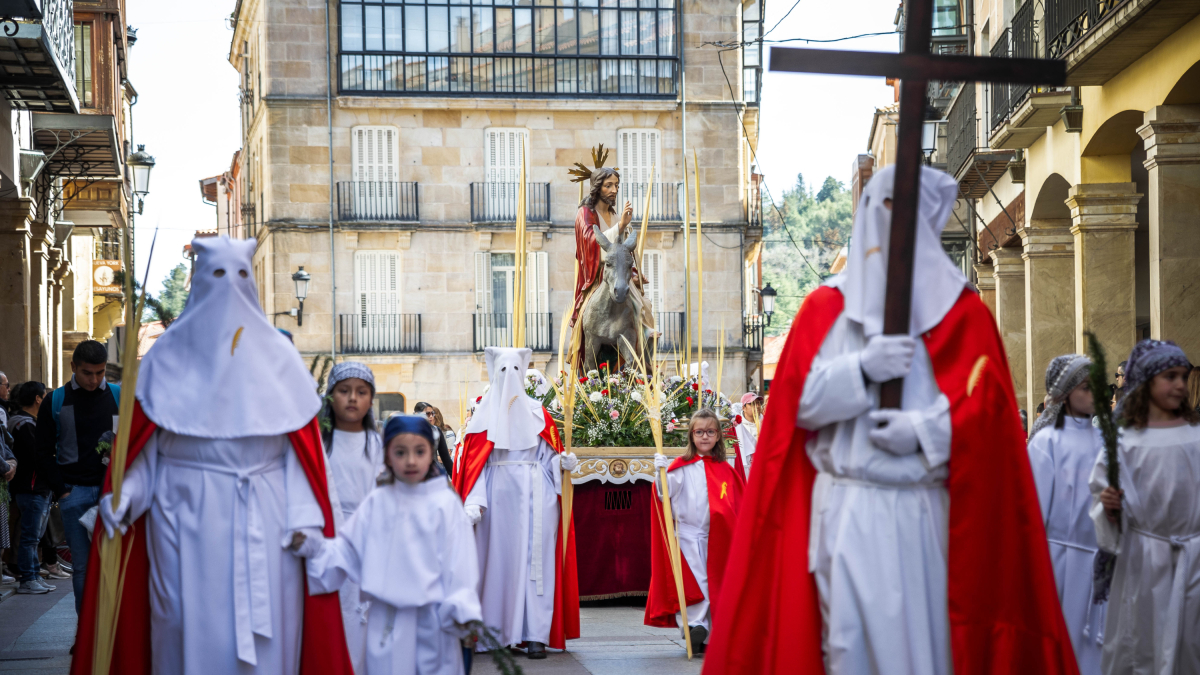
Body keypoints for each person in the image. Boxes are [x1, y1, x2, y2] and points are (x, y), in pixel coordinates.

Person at [703, 165, 1076, 675]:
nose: (894, 224)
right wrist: (859, 370)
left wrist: (925, 433)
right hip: (845, 506)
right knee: (844, 649)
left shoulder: (963, 314)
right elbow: (796, 410)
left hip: (923, 510)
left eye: (907, 212)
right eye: (884, 207)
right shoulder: (825, 307)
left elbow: (989, 419)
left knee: (921, 650)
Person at [78, 235, 352, 675]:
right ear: (199, 283)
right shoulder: (166, 357)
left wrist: (306, 525)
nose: (229, 287)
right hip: (182, 524)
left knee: (271, 645)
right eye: (218, 275)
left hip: (267, 525)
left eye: (240, 275)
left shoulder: (279, 357)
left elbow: (299, 460)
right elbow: (149, 457)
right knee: (185, 632)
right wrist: (126, 496)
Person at [292, 415, 481, 675]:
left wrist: (462, 606)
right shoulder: (377, 502)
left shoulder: (445, 505)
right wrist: (312, 547)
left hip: (433, 621)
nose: (411, 460)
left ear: (431, 454)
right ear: (387, 456)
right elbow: (347, 549)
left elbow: (461, 562)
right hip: (387, 620)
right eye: (400, 452)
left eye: (419, 451)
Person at [453, 347, 580, 659]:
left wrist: (562, 464)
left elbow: (549, 457)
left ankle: (535, 633)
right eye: (503, 371)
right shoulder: (481, 418)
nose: (509, 377)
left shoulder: (539, 414)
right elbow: (474, 466)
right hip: (494, 500)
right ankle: (495, 633)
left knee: (536, 566)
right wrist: (474, 500)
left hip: (538, 495)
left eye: (514, 371)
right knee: (496, 566)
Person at [1091, 339, 1200, 675]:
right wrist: (1109, 507)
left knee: (1189, 647)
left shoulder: (1196, 436)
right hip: (1143, 562)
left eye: (1183, 376)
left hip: (1194, 562)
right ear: (1146, 381)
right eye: (1170, 376)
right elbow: (1102, 498)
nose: (1180, 384)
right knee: (1141, 646)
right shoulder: (1123, 441)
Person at [1027, 355, 1106, 675]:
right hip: (1057, 559)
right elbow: (1033, 512)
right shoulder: (1046, 442)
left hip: (1102, 562)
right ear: (1066, 392)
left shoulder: (1107, 438)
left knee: (1096, 650)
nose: (1094, 394)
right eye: (1086, 388)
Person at [645, 408, 743, 653]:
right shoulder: (681, 467)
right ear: (691, 436)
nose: (705, 437)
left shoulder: (725, 469)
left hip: (717, 538)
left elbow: (737, 502)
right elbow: (663, 495)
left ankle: (709, 636)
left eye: (710, 432)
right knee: (695, 584)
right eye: (699, 432)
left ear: (719, 436)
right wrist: (660, 474)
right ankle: (694, 626)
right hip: (688, 535)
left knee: (714, 585)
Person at [35, 340, 119, 614]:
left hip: (113, 495)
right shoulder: (55, 400)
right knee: (82, 568)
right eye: (87, 373)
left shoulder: (119, 396)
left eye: (100, 372)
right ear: (73, 367)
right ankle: (85, 636)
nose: (94, 380)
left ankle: (109, 638)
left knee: (115, 566)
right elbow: (43, 451)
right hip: (74, 493)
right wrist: (62, 491)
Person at [321, 361, 386, 674]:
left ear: (370, 400)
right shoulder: (321, 444)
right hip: (330, 536)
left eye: (361, 392)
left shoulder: (378, 445)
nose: (352, 398)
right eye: (344, 391)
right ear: (331, 397)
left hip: (370, 538)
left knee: (369, 620)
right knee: (338, 617)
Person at [568, 167, 656, 365]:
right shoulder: (585, 213)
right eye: (608, 185)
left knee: (645, 304)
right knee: (587, 315)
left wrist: (634, 273)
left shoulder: (615, 216)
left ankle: (645, 338)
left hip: (619, 272)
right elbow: (590, 241)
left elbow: (624, 250)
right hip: (596, 275)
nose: (614, 190)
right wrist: (621, 226)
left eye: (616, 185)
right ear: (597, 188)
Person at [8, 382, 59, 595]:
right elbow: (37, 457)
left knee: (33, 537)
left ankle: (34, 575)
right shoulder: (25, 424)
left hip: (38, 488)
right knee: (29, 537)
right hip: (31, 488)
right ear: (38, 398)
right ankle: (28, 578)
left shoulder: (29, 423)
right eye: (45, 395)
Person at [414, 402, 454, 476]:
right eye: (427, 414)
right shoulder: (410, 431)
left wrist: (455, 480)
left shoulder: (436, 430)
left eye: (432, 413)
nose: (431, 416)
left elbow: (446, 459)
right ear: (416, 414)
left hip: (433, 474)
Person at [732, 392, 763, 479]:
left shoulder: (766, 423)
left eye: (758, 403)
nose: (757, 406)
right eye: (752, 404)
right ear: (743, 407)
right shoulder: (737, 425)